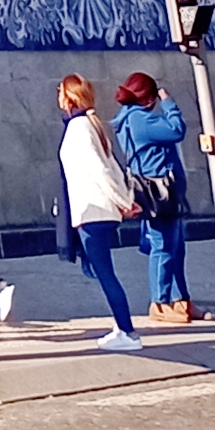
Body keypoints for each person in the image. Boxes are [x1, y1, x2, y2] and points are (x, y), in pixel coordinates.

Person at [54, 77, 145, 350]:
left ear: (69, 99)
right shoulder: (90, 126)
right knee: (100, 269)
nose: (58, 97)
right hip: (100, 211)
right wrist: (124, 200)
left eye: (60, 92)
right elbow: (112, 167)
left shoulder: (79, 129)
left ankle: (127, 332)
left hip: (91, 212)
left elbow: (102, 170)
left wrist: (124, 202)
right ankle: (122, 327)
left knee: (104, 272)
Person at [110, 72, 197, 323]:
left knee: (176, 247)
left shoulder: (129, 119)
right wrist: (169, 102)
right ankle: (159, 303)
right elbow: (177, 130)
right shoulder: (141, 120)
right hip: (160, 192)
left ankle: (182, 300)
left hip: (158, 191)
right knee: (164, 248)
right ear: (148, 99)